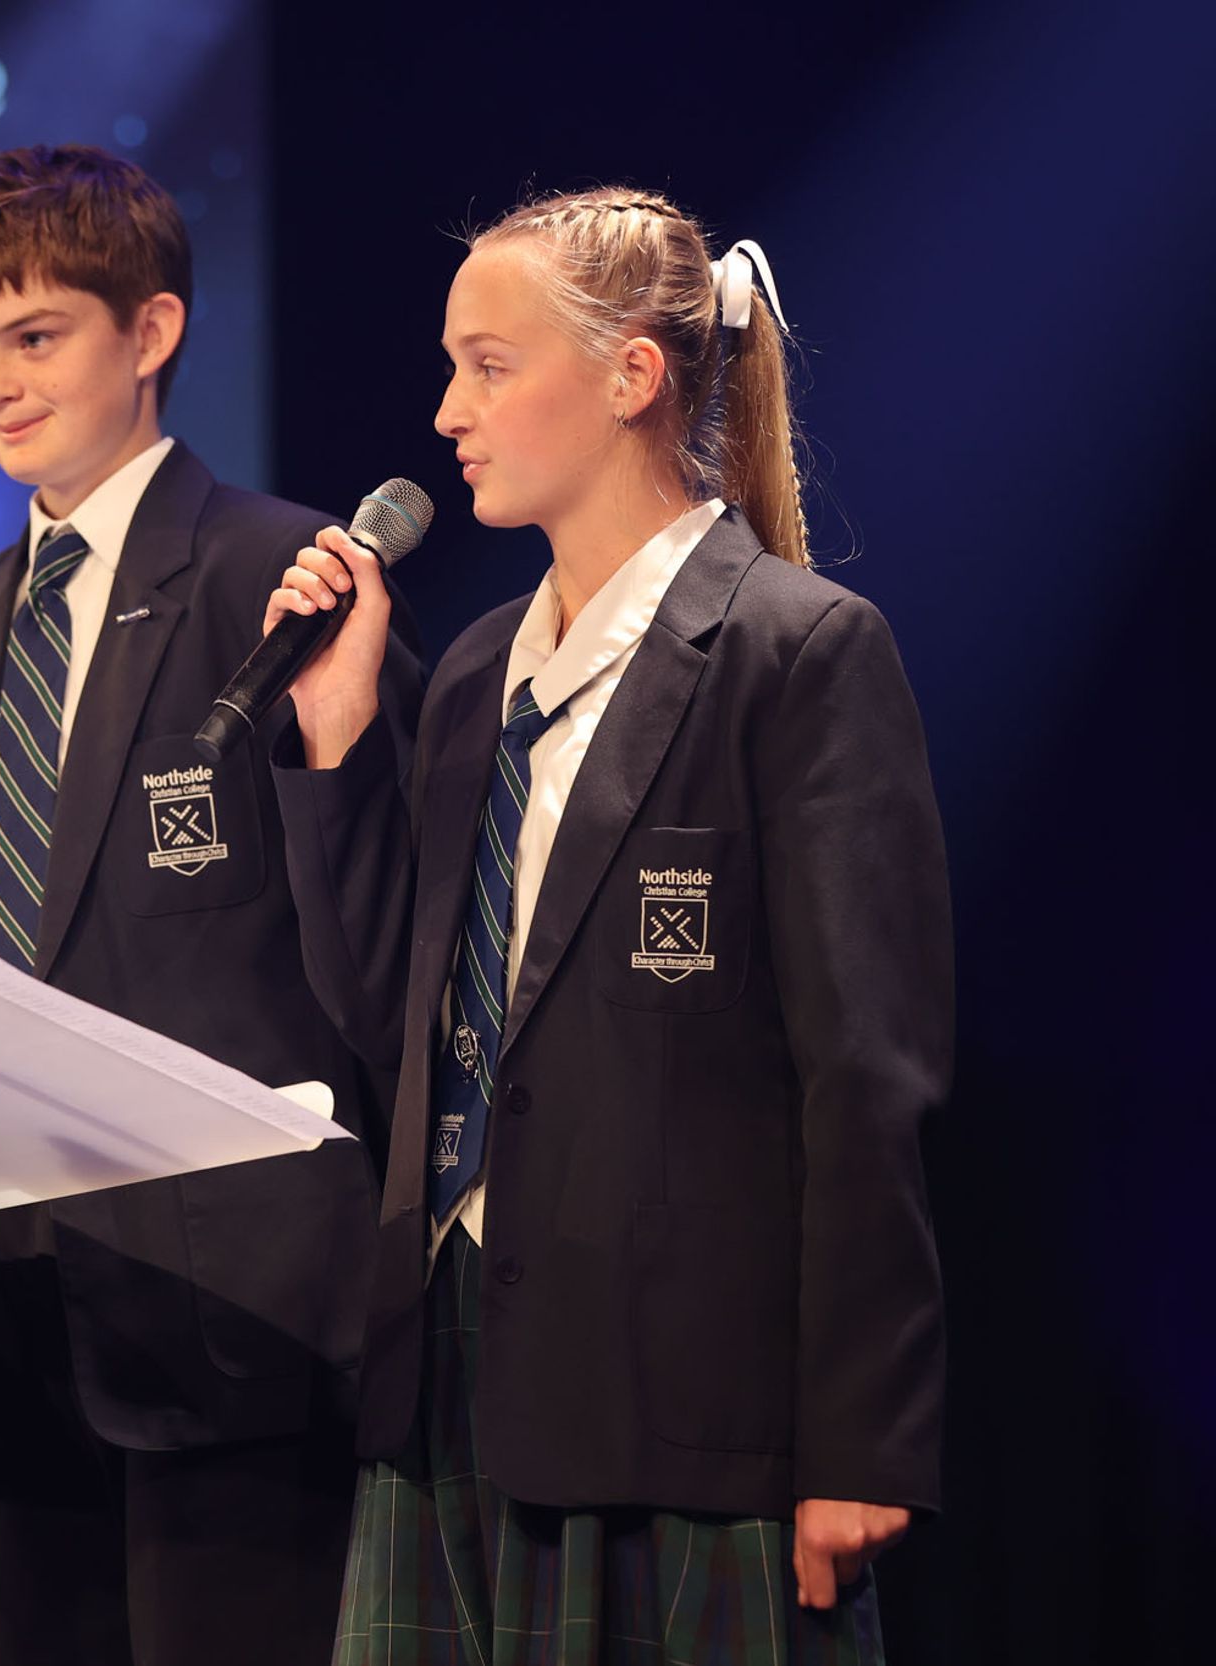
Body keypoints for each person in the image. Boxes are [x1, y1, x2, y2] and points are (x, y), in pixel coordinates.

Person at [264, 186, 950, 1664]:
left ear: (633, 376)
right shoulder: (473, 680)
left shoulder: (794, 652)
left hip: (680, 1402)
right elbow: (398, 1021)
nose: (447, 412)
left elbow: (864, 1076)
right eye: (451, 367)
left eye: (489, 366)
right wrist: (335, 734)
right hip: (447, 1375)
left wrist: (860, 1439)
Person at [0, 143, 422, 1666]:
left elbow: (373, 927)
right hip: (4, 1307)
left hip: (231, 1307)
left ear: (153, 330)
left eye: (34, 335)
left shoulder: (279, 568)